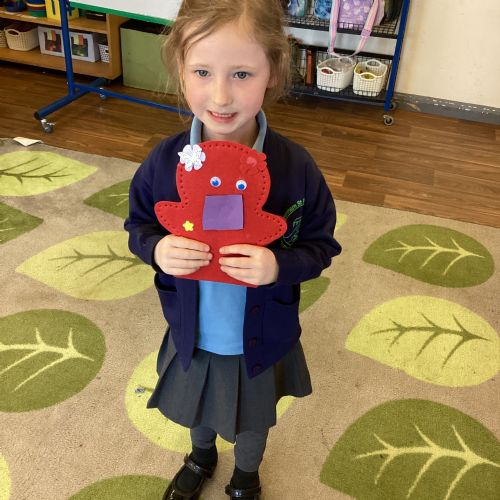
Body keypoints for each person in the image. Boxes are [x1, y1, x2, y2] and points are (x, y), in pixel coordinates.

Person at [124, 1, 341, 498]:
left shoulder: (295, 168)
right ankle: (200, 457)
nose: (220, 95)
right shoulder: (164, 162)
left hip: (261, 336)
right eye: (202, 71)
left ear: (273, 72)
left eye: (241, 73)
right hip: (193, 330)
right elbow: (138, 224)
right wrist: (157, 250)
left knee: (253, 420)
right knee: (197, 407)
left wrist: (279, 264)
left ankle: (246, 474)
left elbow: (322, 243)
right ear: (180, 69)